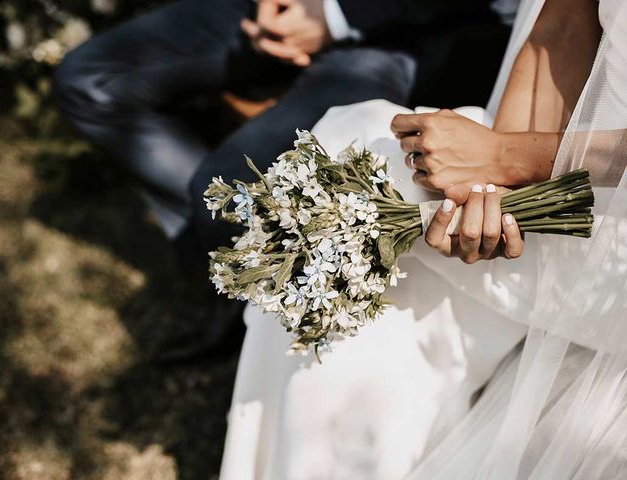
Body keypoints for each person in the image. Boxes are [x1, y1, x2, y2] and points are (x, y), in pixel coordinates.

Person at [221, 0, 627, 478]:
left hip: (609, 238)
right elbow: (561, 26)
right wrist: (490, 185)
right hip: (549, 162)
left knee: (377, 188)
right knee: (363, 149)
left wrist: (510, 157)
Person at [52, 0, 512, 360]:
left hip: (412, 27)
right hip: (281, 7)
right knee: (89, 79)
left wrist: (336, 14)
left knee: (227, 190)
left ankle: (239, 269)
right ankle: (228, 261)